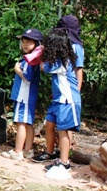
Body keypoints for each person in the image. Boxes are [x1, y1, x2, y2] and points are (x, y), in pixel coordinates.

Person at [32, 15, 84, 164]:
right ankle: (51, 153)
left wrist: (76, 92)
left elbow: (78, 70)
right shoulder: (61, 53)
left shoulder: (73, 50)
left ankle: (64, 160)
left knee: (64, 130)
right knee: (50, 125)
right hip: (58, 97)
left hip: (68, 98)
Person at [1, 29, 43, 161]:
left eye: (28, 42)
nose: (25, 44)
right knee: (28, 123)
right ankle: (28, 150)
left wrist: (17, 70)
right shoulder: (30, 59)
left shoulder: (31, 61)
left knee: (21, 123)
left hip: (24, 96)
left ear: (37, 45)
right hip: (27, 96)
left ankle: (17, 151)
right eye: (23, 41)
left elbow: (28, 77)